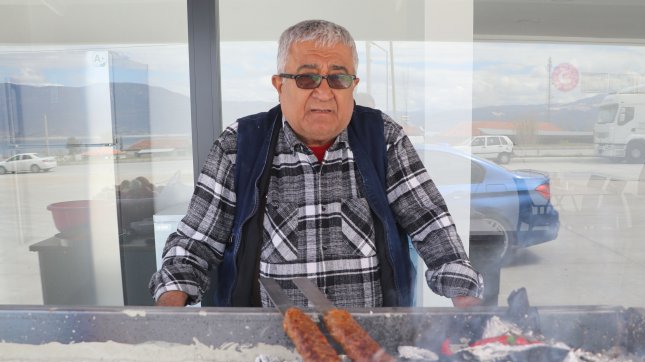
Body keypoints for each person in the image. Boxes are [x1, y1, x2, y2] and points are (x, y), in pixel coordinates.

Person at [149, 19, 483, 309]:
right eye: (307, 78)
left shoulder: (384, 138)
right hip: (265, 345)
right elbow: (195, 244)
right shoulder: (238, 145)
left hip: (372, 345)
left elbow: (431, 224)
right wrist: (169, 309)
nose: (324, 93)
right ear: (280, 85)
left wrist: (466, 300)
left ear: (353, 86)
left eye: (338, 79)